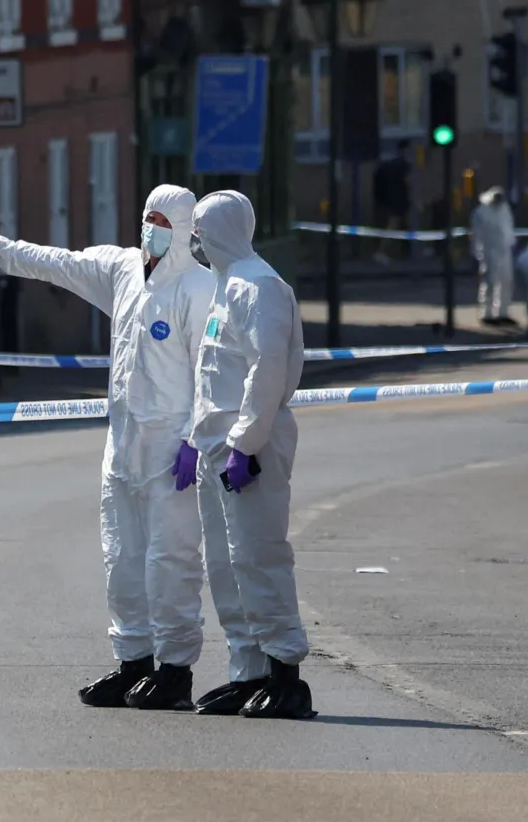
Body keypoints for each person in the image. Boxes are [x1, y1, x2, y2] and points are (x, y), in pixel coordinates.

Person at [0, 185, 214, 712]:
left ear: (184, 229)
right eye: (146, 217)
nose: (150, 228)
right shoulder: (122, 272)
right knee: (122, 560)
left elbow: (211, 371)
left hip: (171, 454)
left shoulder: (200, 289)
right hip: (123, 447)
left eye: (161, 220)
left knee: (171, 561)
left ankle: (175, 670)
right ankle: (132, 662)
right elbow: (58, 263)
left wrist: (194, 440)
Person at [172, 190, 314, 720]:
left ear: (223, 231)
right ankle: (247, 671)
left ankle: (285, 675)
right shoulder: (224, 287)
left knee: (259, 557)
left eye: (201, 231)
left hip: (248, 450)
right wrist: (193, 438)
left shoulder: (260, 287)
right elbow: (213, 376)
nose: (195, 242)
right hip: (215, 448)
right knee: (225, 565)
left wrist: (245, 444)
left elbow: (266, 371)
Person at [471, 186, 517, 327]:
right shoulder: (481, 212)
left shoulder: (504, 209)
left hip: (504, 250)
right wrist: (478, 254)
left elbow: (508, 227)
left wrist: (511, 243)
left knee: (506, 281)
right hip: (489, 250)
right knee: (490, 282)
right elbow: (477, 235)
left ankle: (502, 312)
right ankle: (487, 313)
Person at [371, 140, 413, 263]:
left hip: (385, 199)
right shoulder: (404, 165)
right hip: (398, 201)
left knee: (399, 225)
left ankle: (406, 252)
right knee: (394, 226)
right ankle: (381, 251)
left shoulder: (388, 164)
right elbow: (408, 181)